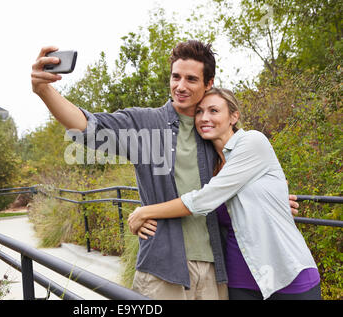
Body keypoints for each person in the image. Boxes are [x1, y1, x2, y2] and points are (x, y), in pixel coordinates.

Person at [31, 40, 300, 300]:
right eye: (175, 77)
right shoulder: (145, 124)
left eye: (191, 79)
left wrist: (267, 203)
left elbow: (235, 185)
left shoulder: (214, 132)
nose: (180, 86)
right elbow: (87, 128)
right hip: (163, 270)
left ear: (209, 84)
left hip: (216, 271)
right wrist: (44, 90)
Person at [128, 88, 321, 300]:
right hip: (239, 281)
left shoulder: (253, 142)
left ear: (233, 116)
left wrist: (144, 212)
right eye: (199, 112)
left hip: (286, 273)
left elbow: (202, 200)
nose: (204, 118)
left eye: (213, 111)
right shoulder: (209, 167)